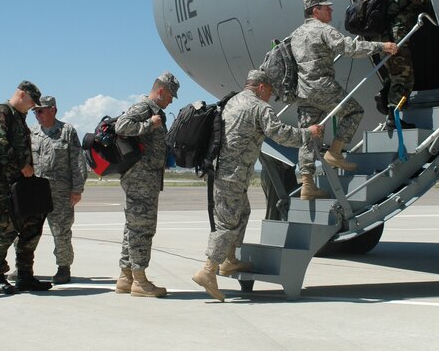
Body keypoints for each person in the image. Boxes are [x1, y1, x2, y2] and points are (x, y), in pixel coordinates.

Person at [192, 70, 323, 302]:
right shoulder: (259, 107)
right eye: (269, 91)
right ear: (261, 87)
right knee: (227, 224)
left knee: (243, 212)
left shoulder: (232, 101)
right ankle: (208, 270)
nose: (270, 97)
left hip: (225, 172)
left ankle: (230, 259)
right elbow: (280, 135)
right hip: (233, 175)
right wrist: (308, 134)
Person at [291, 0, 398, 199]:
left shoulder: (296, 34)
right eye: (326, 7)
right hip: (322, 85)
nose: (331, 10)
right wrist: (381, 46)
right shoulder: (323, 29)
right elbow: (349, 48)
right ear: (315, 11)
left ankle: (307, 185)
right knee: (354, 111)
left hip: (303, 91)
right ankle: (335, 152)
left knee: (309, 136)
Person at [114, 71, 180, 298]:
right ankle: (140, 281)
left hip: (146, 179)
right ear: (161, 91)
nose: (172, 100)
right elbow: (121, 126)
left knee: (133, 227)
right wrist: (149, 125)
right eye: (171, 95)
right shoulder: (145, 109)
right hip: (140, 179)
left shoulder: (154, 111)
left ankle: (125, 277)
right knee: (142, 228)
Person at [0, 80, 52, 294]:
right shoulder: (1, 112)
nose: (33, 107)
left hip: (22, 185)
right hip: (4, 185)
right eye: (31, 101)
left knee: (31, 228)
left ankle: (25, 275)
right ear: (21, 94)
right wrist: (20, 165)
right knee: (4, 230)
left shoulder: (19, 117)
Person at [31, 95, 87, 284]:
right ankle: (23, 267)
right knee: (28, 230)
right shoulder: (32, 133)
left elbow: (78, 160)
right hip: (35, 191)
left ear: (52, 109)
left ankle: (63, 267)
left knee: (61, 231)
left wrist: (77, 189)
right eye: (35, 112)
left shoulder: (66, 131)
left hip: (60, 192)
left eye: (40, 111)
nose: (37, 115)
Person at [378, 0, 430, 130]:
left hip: (382, 39)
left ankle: (385, 94)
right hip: (397, 37)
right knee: (404, 79)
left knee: (394, 74)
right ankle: (393, 117)